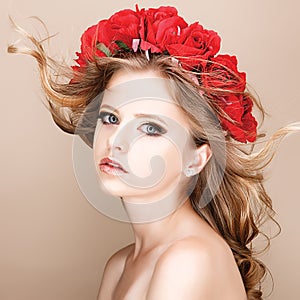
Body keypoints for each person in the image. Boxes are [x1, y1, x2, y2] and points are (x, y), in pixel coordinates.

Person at [7, 5, 300, 300]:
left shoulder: (189, 260)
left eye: (150, 128)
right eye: (110, 118)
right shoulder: (119, 266)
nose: (117, 141)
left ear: (196, 159)